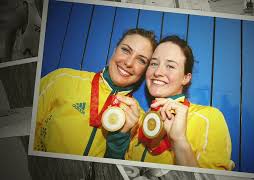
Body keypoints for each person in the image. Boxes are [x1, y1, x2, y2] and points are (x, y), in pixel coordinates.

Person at [109, 35, 234, 170]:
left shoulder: (208, 117)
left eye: (170, 66)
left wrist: (179, 140)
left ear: (186, 78)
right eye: (154, 63)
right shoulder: (138, 120)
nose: (158, 72)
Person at [33, 28, 157, 157]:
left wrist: (117, 146)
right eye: (125, 50)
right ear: (115, 50)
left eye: (141, 60)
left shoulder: (140, 121)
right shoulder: (62, 79)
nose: (129, 62)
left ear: (145, 71)